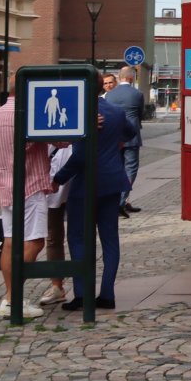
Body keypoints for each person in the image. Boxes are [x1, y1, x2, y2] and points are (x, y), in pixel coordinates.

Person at [53, 75, 132, 311]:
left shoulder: (79, 112)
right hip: (111, 181)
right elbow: (129, 133)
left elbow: (79, 156)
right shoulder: (116, 111)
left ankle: (82, 293)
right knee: (110, 239)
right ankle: (107, 294)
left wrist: (58, 179)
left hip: (85, 184)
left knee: (77, 238)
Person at [0, 80, 53, 319]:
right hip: (30, 186)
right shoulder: (28, 114)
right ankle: (13, 299)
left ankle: (9, 298)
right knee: (34, 242)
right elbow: (62, 140)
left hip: (5, 188)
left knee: (10, 243)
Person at [105, 66, 144, 217]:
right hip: (132, 136)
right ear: (131, 78)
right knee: (131, 168)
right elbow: (140, 115)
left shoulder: (110, 95)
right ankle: (121, 201)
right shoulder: (137, 94)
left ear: (120, 77)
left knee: (117, 168)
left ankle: (116, 200)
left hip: (114, 136)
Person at [39, 143, 72, 306]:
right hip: (51, 176)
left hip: (77, 175)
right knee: (53, 237)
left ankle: (82, 287)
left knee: (79, 236)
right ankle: (57, 286)